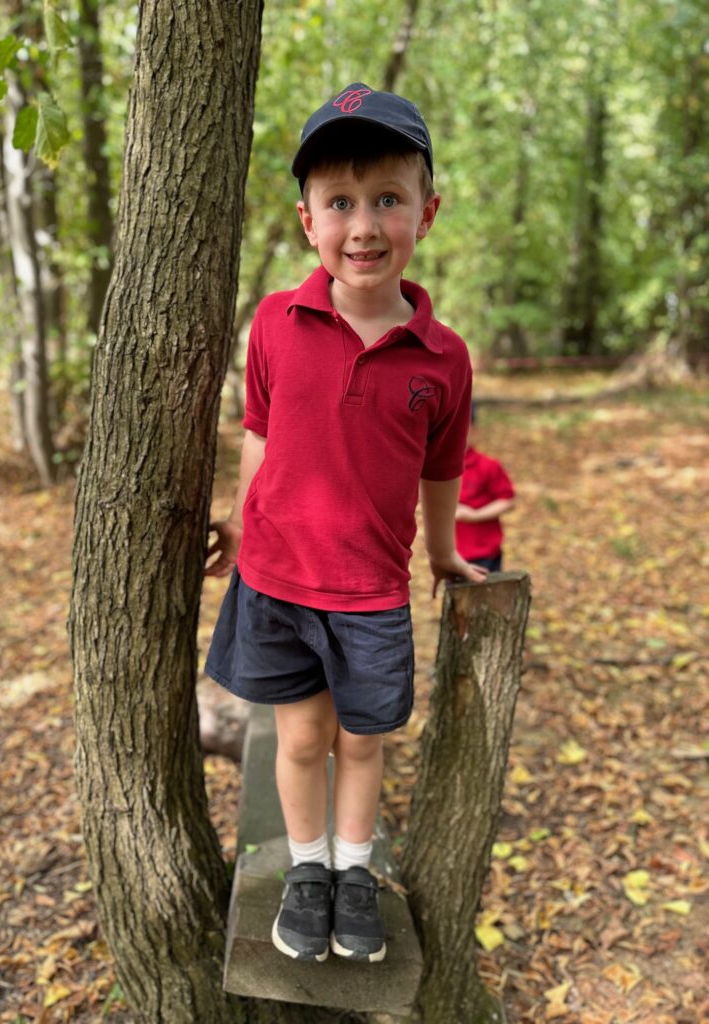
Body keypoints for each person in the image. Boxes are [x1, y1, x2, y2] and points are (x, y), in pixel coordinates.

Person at [205, 82, 485, 965]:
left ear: (426, 215)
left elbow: (442, 469)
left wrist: (443, 555)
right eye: (341, 204)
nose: (363, 225)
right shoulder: (276, 325)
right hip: (280, 581)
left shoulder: (442, 359)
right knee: (299, 737)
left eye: (387, 201)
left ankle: (356, 868)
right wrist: (246, 534)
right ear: (307, 221)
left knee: (363, 739)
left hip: (370, 589)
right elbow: (259, 430)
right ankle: (309, 868)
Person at [455, 404, 516, 572]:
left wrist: (475, 515)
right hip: (452, 554)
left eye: (460, 429)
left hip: (484, 552)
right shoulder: (438, 469)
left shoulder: (488, 466)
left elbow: (508, 501)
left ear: (473, 431)